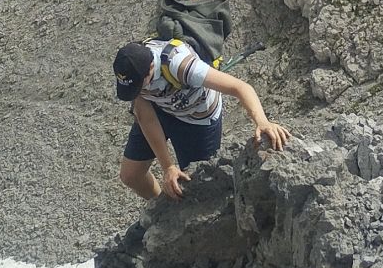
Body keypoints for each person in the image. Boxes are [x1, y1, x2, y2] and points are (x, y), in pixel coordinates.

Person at [112, 36, 290, 199]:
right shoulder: (133, 72)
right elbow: (146, 117)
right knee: (131, 175)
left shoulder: (180, 65)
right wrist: (168, 167)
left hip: (197, 120)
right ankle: (161, 212)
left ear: (151, 68)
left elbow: (240, 88)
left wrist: (262, 122)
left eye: (139, 85)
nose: (137, 90)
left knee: (197, 184)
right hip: (162, 109)